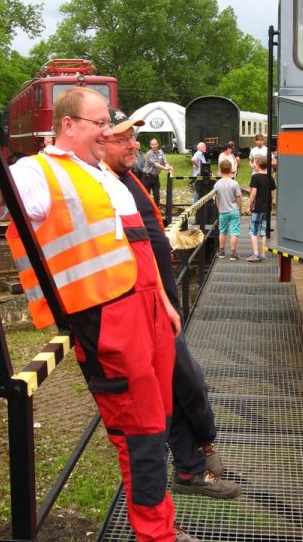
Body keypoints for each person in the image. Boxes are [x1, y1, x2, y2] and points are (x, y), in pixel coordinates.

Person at [0, 79, 206, 542]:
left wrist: (164, 304)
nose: (108, 132)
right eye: (101, 123)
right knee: (140, 432)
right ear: (69, 126)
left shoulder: (101, 175)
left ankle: (164, 527)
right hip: (107, 319)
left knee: (157, 419)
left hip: (147, 311)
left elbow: (138, 242)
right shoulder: (38, 173)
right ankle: (155, 541)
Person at [103, 111, 241, 500]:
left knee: (182, 387)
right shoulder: (102, 183)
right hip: (143, 308)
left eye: (133, 137)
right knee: (185, 384)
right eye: (122, 139)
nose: (133, 144)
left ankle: (192, 465)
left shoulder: (127, 178)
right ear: (99, 142)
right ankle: (199, 455)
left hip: (162, 301)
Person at [245, 155, 277, 262]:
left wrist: (249, 206)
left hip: (258, 207)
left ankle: (256, 253)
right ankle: (263, 255)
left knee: (253, 230)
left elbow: (253, 193)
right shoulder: (270, 177)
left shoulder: (255, 177)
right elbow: (272, 193)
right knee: (263, 231)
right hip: (267, 208)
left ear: (257, 165)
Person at [213, 158, 242, 261]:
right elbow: (238, 198)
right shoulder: (234, 183)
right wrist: (239, 209)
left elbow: (217, 199)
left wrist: (219, 208)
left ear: (220, 170)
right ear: (231, 170)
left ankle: (221, 251)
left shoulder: (217, 184)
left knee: (222, 231)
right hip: (234, 210)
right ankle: (233, 254)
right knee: (234, 232)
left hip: (223, 211)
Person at [142, 138, 173, 206]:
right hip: (147, 177)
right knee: (146, 196)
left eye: (155, 144)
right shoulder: (149, 154)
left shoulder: (161, 153)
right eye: (152, 144)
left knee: (157, 195)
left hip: (155, 177)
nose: (154, 145)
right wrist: (165, 168)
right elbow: (156, 165)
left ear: (158, 144)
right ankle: (147, 212)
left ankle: (156, 211)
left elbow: (165, 162)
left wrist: (168, 166)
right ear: (150, 145)